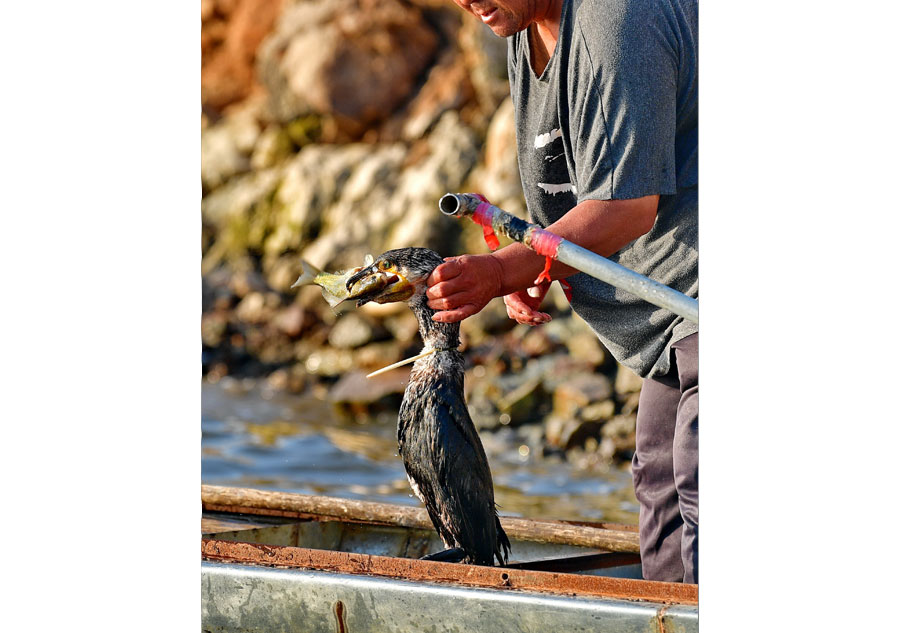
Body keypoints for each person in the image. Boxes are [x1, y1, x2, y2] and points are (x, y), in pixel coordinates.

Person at [426, 0, 698, 583]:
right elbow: (575, 168)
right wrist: (539, 267)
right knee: (662, 491)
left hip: (698, 298)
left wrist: (504, 270)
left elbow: (627, 206)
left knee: (703, 483)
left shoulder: (618, 20)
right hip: (671, 313)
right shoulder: (525, 25)